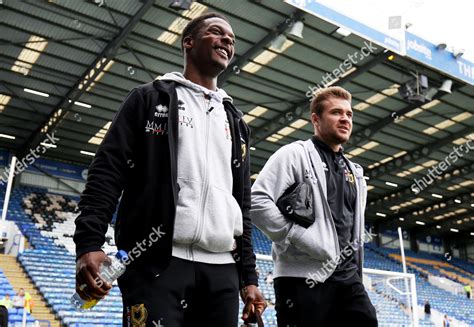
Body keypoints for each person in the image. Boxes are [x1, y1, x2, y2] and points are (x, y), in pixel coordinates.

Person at [73, 12, 265, 326]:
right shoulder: (148, 100)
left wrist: (249, 277)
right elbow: (108, 171)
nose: (228, 40)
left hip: (222, 274)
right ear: (188, 41)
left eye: (232, 38)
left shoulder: (236, 122)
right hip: (155, 264)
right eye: (217, 32)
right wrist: (88, 244)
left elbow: (241, 202)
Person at [251, 86, 377, 326]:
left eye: (349, 114)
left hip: (348, 280)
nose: (345, 119)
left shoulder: (356, 173)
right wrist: (296, 234)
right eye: (336, 113)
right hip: (302, 280)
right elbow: (257, 202)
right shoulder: (294, 155)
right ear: (316, 119)